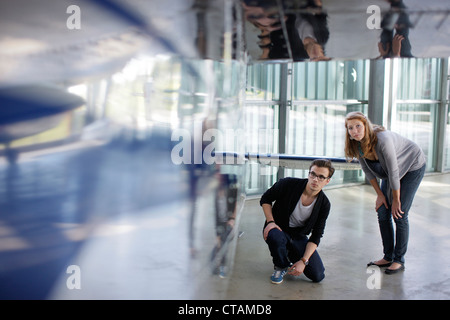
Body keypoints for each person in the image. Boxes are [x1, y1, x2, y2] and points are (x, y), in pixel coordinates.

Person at [344, 112, 426, 274]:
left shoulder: (383, 141)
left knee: (399, 213)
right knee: (383, 212)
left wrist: (396, 199)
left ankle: (399, 260)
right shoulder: (357, 145)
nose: (355, 131)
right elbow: (368, 172)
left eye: (358, 126)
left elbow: (394, 172)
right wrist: (380, 195)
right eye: (350, 128)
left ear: (366, 125)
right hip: (389, 173)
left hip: (411, 165)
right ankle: (388, 256)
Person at [260, 159, 334, 284]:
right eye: (313, 174)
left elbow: (316, 235)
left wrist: (304, 260)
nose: (315, 179)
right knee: (275, 237)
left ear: (327, 181)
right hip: (278, 227)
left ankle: (290, 253)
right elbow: (265, 199)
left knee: (317, 275)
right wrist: (270, 222)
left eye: (321, 177)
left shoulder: (324, 204)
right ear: (308, 174)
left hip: (298, 236)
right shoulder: (288, 184)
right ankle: (281, 265)